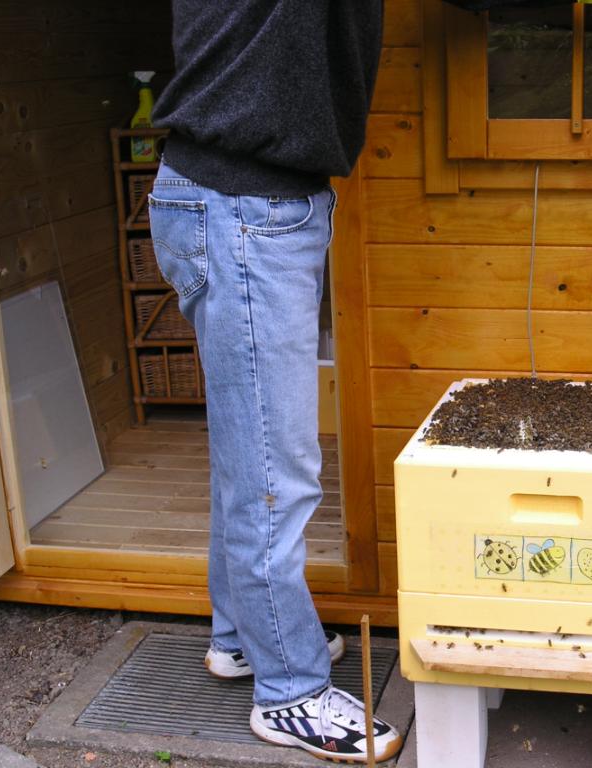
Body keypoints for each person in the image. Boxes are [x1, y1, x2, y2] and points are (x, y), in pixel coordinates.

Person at [147, 2, 401, 762]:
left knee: (249, 450)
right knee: (274, 470)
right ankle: (290, 690)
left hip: (230, 200)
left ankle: (240, 636)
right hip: (242, 210)